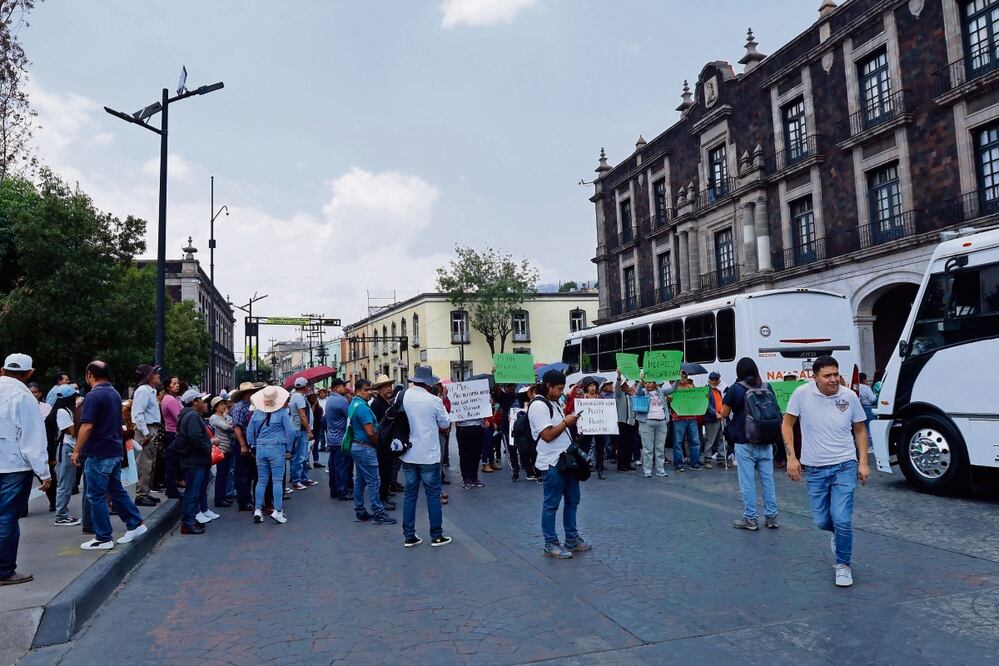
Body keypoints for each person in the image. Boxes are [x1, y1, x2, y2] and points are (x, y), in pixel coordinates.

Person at [783, 356, 869, 588]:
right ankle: (838, 535)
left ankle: (843, 564)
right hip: (815, 469)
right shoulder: (801, 394)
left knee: (842, 519)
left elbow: (860, 430)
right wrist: (791, 457)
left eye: (836, 374)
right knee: (822, 521)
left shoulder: (849, 396)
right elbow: (787, 424)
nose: (833, 379)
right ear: (815, 377)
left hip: (845, 465)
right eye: (827, 375)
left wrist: (863, 462)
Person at [72, 361, 147, 551]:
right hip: (114, 450)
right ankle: (135, 523)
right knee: (115, 490)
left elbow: (87, 426)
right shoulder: (114, 393)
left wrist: (77, 450)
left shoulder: (93, 395)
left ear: (89, 374)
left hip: (99, 452)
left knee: (96, 495)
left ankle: (103, 537)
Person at [0, 353, 53, 584]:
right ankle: (3, 571)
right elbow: (33, 440)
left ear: (2, 370)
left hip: (11, 463)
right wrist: (44, 473)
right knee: (7, 519)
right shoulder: (25, 398)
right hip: (14, 466)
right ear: (29, 373)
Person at [530, 369, 590, 560]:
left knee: (573, 500)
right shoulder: (538, 406)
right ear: (548, 386)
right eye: (558, 388)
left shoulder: (554, 402)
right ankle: (550, 543)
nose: (561, 392)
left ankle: (571, 538)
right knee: (551, 505)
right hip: (551, 463)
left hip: (566, 461)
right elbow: (547, 435)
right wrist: (566, 422)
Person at [722, 358, 779, 531]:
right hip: (766, 441)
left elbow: (724, 413)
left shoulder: (736, 389)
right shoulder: (767, 387)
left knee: (747, 482)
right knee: (768, 481)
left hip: (744, 441)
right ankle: (772, 517)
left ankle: (751, 518)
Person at [400, 371, 453, 548]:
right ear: (429, 383)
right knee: (433, 495)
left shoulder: (403, 396)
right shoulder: (434, 400)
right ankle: (436, 536)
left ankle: (409, 536)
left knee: (410, 495)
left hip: (408, 453)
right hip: (428, 454)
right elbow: (445, 424)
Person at [347, 380, 395, 525]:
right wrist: (377, 443)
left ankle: (360, 510)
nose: (369, 392)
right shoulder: (363, 408)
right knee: (374, 481)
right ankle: (378, 512)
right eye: (365, 390)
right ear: (357, 391)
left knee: (360, 481)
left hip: (357, 446)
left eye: (369, 389)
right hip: (365, 447)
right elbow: (370, 432)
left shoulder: (354, 404)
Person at [247, 385, 295, 525]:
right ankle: (278, 511)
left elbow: (249, 432)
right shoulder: (282, 413)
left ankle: (258, 510)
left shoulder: (256, 413)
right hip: (277, 447)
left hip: (260, 448)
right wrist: (288, 448)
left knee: (261, 480)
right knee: (277, 481)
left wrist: (253, 446)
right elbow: (291, 432)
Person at [173, 389, 217, 533]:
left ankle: (190, 520)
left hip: (193, 460)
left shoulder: (189, 415)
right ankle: (188, 523)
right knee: (192, 492)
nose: (203, 403)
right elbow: (194, 437)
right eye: (201, 400)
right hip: (194, 461)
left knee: (192, 491)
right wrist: (207, 448)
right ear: (194, 402)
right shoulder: (192, 416)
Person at [47, 384, 81, 526]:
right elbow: (72, 432)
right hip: (66, 448)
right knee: (65, 484)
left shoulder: (64, 410)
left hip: (67, 448)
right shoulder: (62, 411)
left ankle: (62, 513)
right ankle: (61, 515)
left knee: (67, 483)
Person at [130, 364, 163, 508]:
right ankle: (141, 494)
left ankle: (146, 491)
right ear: (148, 377)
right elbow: (138, 413)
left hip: (151, 427)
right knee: (144, 462)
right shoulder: (143, 390)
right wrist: (146, 432)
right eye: (155, 374)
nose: (158, 376)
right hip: (146, 429)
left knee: (150, 462)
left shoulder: (151, 390)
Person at [634, 371, 676, 477]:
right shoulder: (643, 391)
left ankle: (660, 470)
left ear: (654, 383)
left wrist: (678, 378)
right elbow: (637, 392)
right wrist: (640, 381)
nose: (648, 384)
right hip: (647, 422)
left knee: (660, 448)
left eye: (650, 382)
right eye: (646, 383)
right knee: (648, 449)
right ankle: (647, 470)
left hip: (661, 422)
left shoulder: (660, 391)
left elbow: (673, 389)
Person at [229, 382, 261, 511]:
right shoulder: (239, 407)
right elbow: (237, 427)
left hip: (251, 441)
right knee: (243, 474)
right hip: (243, 442)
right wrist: (243, 445)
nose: (252, 394)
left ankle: (248, 498)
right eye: (250, 392)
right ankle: (243, 501)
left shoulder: (252, 406)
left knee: (251, 473)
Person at [369, 375, 397, 511]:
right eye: (386, 386)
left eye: (389, 386)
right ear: (379, 389)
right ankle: (381, 498)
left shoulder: (386, 402)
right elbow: (375, 425)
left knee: (387, 471)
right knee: (383, 472)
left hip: (387, 442)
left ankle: (385, 494)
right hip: (382, 443)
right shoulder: (377, 404)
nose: (389, 389)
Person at [575, 378, 609, 479]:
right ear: (586, 387)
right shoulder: (583, 398)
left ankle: (600, 469)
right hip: (587, 426)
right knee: (585, 447)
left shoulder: (600, 397)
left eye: (594, 385)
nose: (592, 387)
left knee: (600, 448)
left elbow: (606, 410)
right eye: (590, 386)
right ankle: (583, 468)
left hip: (599, 425)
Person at [325, 378, 353, 501]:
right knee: (342, 466)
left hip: (332, 438)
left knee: (333, 466)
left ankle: (334, 490)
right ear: (336, 388)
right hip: (341, 439)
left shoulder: (329, 399)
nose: (345, 388)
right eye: (343, 386)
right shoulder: (341, 400)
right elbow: (350, 415)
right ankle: (342, 491)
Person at [288, 377, 316, 491]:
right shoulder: (299, 398)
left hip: (298, 429)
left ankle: (303, 478)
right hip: (300, 430)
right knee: (300, 456)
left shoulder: (295, 396)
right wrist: (309, 430)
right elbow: (302, 415)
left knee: (302, 455)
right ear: (305, 387)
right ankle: (296, 481)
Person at [671, 373, 703, 471]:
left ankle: (694, 462)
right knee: (678, 442)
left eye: (685, 376)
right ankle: (678, 464)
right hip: (678, 418)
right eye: (681, 376)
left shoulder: (690, 386)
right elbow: (669, 400)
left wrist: (703, 395)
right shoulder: (674, 388)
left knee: (695, 441)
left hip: (691, 417)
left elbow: (697, 398)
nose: (683, 378)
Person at [208, 396, 235, 508]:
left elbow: (232, 424)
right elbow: (228, 427)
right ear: (215, 407)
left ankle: (224, 496)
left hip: (229, 448)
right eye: (221, 404)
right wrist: (230, 425)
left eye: (224, 404)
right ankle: (219, 499)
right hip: (221, 449)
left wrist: (230, 424)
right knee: (221, 474)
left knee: (228, 473)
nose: (224, 406)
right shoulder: (213, 418)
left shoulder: (227, 417)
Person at [161, 377, 184, 499]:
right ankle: (171, 490)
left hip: (173, 433)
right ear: (167, 386)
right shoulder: (169, 399)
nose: (177, 385)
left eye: (177, 383)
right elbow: (179, 417)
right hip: (173, 433)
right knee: (171, 463)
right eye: (174, 383)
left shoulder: (175, 398)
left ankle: (172, 488)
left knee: (173, 462)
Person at [702, 371, 727, 469]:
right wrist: (716, 413)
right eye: (712, 379)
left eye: (716, 380)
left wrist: (722, 413)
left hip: (721, 417)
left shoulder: (718, 390)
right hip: (711, 419)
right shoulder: (706, 390)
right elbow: (707, 405)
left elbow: (721, 403)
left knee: (722, 439)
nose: (714, 381)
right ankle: (707, 460)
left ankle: (721, 459)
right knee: (710, 440)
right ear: (709, 380)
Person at [614, 375, 638, 472]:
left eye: (627, 385)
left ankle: (628, 464)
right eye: (625, 385)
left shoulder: (631, 396)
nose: (627, 386)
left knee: (630, 444)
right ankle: (621, 465)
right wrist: (619, 377)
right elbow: (617, 387)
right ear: (622, 387)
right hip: (622, 422)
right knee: (622, 445)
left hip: (631, 422)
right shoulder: (619, 395)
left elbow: (636, 386)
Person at [858, 372, 877, 442]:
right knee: (871, 428)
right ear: (863, 379)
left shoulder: (856, 387)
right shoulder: (866, 388)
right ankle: (872, 444)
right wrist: (876, 396)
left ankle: (866, 444)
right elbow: (872, 399)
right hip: (868, 408)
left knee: (864, 428)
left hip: (860, 408)